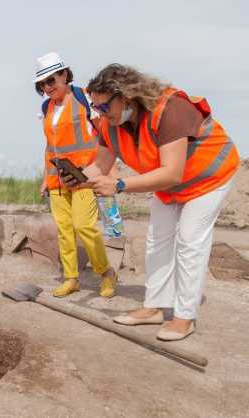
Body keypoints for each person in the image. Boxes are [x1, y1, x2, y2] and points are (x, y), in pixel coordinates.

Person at [78, 63, 240, 341]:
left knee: (190, 241)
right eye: (96, 109)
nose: (100, 114)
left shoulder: (170, 110)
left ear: (127, 97)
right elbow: (100, 166)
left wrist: (118, 185)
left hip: (209, 177)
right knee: (158, 240)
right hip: (171, 186)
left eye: (105, 107)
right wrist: (76, 178)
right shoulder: (111, 124)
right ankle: (154, 307)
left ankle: (184, 317)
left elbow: (172, 171)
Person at [33, 52, 117, 298]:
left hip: (85, 176)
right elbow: (50, 145)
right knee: (64, 230)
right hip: (56, 178)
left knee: (84, 226)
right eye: (42, 84)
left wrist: (108, 172)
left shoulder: (84, 99)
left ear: (65, 75)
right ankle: (71, 278)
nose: (47, 88)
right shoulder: (46, 107)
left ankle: (106, 273)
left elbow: (106, 136)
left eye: (51, 81)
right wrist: (44, 179)